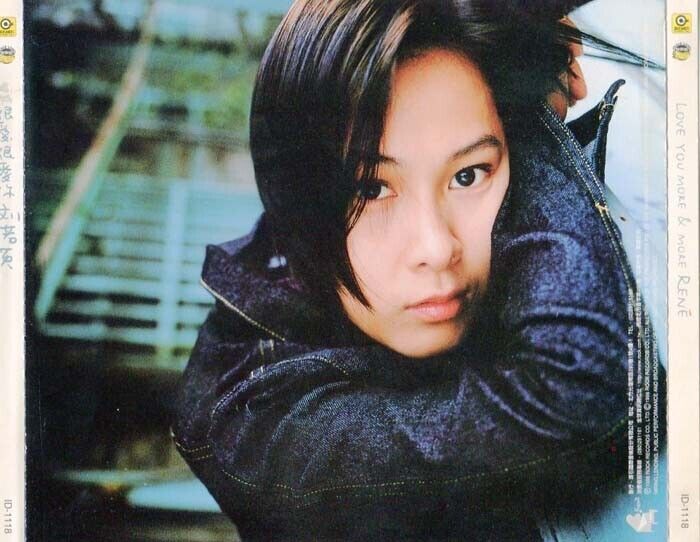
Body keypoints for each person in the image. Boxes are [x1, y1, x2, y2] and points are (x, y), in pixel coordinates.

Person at [172, 0, 664, 539]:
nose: (436, 247)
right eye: (370, 188)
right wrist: (527, 119)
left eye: (470, 174)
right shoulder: (254, 419)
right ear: (296, 197)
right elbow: (575, 386)